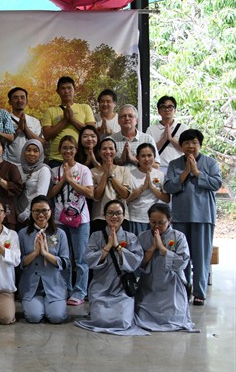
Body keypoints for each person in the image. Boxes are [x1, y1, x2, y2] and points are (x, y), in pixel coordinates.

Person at [164, 129, 222, 306]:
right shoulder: (174, 164)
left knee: (201, 257)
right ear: (181, 146)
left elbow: (216, 183)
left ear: (200, 145)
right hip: (180, 217)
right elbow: (168, 187)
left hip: (203, 217)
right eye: (187, 143)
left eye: (194, 142)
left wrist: (197, 172)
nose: (190, 146)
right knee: (181, 257)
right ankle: (182, 290)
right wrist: (185, 173)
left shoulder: (210, 163)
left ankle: (199, 293)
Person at [75, 200, 147, 336]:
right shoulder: (96, 236)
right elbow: (89, 260)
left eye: (118, 213)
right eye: (110, 213)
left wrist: (118, 247)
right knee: (100, 319)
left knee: (123, 321)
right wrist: (107, 247)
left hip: (122, 289)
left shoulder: (131, 237)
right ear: (105, 215)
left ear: (124, 216)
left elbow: (135, 262)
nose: (114, 217)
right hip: (100, 288)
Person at [47, 135, 94, 307]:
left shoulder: (83, 170)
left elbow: (89, 193)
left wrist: (71, 180)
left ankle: (80, 292)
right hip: (59, 220)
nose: (68, 151)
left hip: (81, 220)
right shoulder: (54, 171)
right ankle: (65, 289)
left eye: (71, 148)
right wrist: (63, 180)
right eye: (64, 148)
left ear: (76, 150)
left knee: (81, 258)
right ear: (60, 150)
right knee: (62, 256)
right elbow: (50, 195)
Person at [134, 203, 197, 332]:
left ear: (169, 220)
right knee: (140, 316)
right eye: (153, 222)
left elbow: (182, 263)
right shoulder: (143, 237)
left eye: (161, 223)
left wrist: (162, 249)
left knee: (172, 317)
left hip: (171, 286)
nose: (156, 226)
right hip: (149, 285)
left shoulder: (178, 237)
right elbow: (138, 263)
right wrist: (152, 248)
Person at [18, 196, 70, 324]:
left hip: (54, 286)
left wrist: (45, 254)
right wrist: (35, 253)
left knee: (56, 317)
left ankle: (50, 305)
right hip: (31, 287)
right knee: (34, 317)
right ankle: (38, 305)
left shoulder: (59, 234)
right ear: (31, 212)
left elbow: (65, 262)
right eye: (36, 211)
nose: (41, 214)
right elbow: (19, 263)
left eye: (44, 210)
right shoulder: (23, 234)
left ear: (51, 211)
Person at [41, 76, 96, 163]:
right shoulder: (50, 111)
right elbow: (47, 135)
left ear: (75, 89)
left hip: (79, 158)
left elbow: (91, 132)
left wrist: (72, 119)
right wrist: (65, 120)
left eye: (69, 88)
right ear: (57, 91)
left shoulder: (85, 108)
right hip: (56, 159)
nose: (66, 91)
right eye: (63, 88)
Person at [91, 137, 136, 232]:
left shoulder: (124, 170)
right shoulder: (92, 172)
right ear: (99, 152)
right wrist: (105, 174)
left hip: (121, 216)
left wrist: (111, 175)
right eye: (104, 149)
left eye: (111, 148)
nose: (108, 151)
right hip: (100, 216)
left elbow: (125, 195)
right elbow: (96, 196)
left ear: (116, 151)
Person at [127, 143, 169, 235]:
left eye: (149, 155)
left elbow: (166, 199)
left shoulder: (160, 175)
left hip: (155, 220)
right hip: (135, 217)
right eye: (143, 156)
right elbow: (126, 198)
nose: (146, 159)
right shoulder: (129, 174)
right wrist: (142, 188)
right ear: (137, 158)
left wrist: (152, 187)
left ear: (154, 157)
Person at [146, 95, 187, 174]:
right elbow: (147, 151)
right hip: (158, 168)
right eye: (163, 107)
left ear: (175, 110)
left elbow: (185, 149)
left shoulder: (183, 128)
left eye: (170, 107)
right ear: (158, 111)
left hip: (178, 168)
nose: (167, 110)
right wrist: (163, 140)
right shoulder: (151, 129)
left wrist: (171, 139)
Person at [6, 87, 44, 166]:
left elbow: (41, 143)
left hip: (31, 165)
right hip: (11, 164)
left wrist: (26, 128)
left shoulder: (34, 121)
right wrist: (18, 130)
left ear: (26, 101)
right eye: (15, 98)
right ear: (9, 102)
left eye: (22, 97)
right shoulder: (5, 120)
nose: (19, 100)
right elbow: (1, 143)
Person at [16, 139, 51, 224]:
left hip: (34, 215)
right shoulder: (18, 169)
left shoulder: (43, 170)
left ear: (40, 153)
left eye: (35, 151)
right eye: (28, 150)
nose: (31, 153)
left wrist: (27, 213)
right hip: (17, 213)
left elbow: (40, 195)